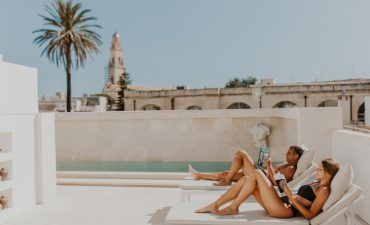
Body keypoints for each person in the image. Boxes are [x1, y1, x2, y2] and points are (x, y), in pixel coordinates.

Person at [195, 158, 340, 220]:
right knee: (247, 178)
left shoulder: (324, 191)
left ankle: (232, 207)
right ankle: (219, 205)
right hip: (281, 201)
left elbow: (310, 215)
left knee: (257, 173)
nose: (317, 170)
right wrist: (286, 190)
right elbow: (300, 197)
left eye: (320, 169)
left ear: (328, 172)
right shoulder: (317, 183)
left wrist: (290, 198)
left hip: (285, 210)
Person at [189, 145, 303, 186]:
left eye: (289, 153)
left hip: (261, 180)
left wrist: (269, 166)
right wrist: (266, 164)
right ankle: (199, 175)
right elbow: (272, 172)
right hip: (262, 174)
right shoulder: (286, 164)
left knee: (241, 154)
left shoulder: (291, 169)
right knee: (226, 173)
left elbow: (275, 183)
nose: (286, 154)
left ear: (296, 156)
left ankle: (227, 180)